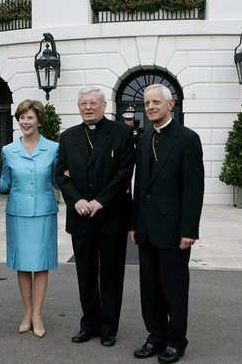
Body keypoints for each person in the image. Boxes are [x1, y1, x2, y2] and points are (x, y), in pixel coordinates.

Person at [130, 84, 204, 364]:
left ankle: (175, 341)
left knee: (173, 288)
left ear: (170, 104)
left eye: (156, 102)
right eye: (147, 103)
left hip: (174, 231)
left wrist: (189, 230)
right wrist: (134, 223)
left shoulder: (187, 139)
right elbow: (140, 187)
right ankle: (155, 336)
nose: (150, 107)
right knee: (149, 289)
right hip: (147, 229)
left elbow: (193, 189)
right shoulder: (145, 138)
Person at [56, 87, 135, 347]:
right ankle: (89, 324)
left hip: (111, 215)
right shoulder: (67, 137)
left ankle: (109, 327)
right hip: (80, 216)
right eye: (83, 103)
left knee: (111, 274)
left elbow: (124, 172)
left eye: (93, 103)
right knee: (85, 274)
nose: (88, 107)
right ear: (78, 107)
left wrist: (101, 200)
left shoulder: (122, 133)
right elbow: (60, 174)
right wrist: (76, 199)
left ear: (103, 105)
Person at [0, 100, 59, 338]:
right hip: (18, 213)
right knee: (23, 264)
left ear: (39, 121)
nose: (25, 122)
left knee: (41, 263)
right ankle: (27, 312)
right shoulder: (8, 150)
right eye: (22, 118)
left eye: (30, 117)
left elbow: (57, 180)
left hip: (44, 211)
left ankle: (38, 314)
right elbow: (5, 183)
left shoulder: (54, 148)